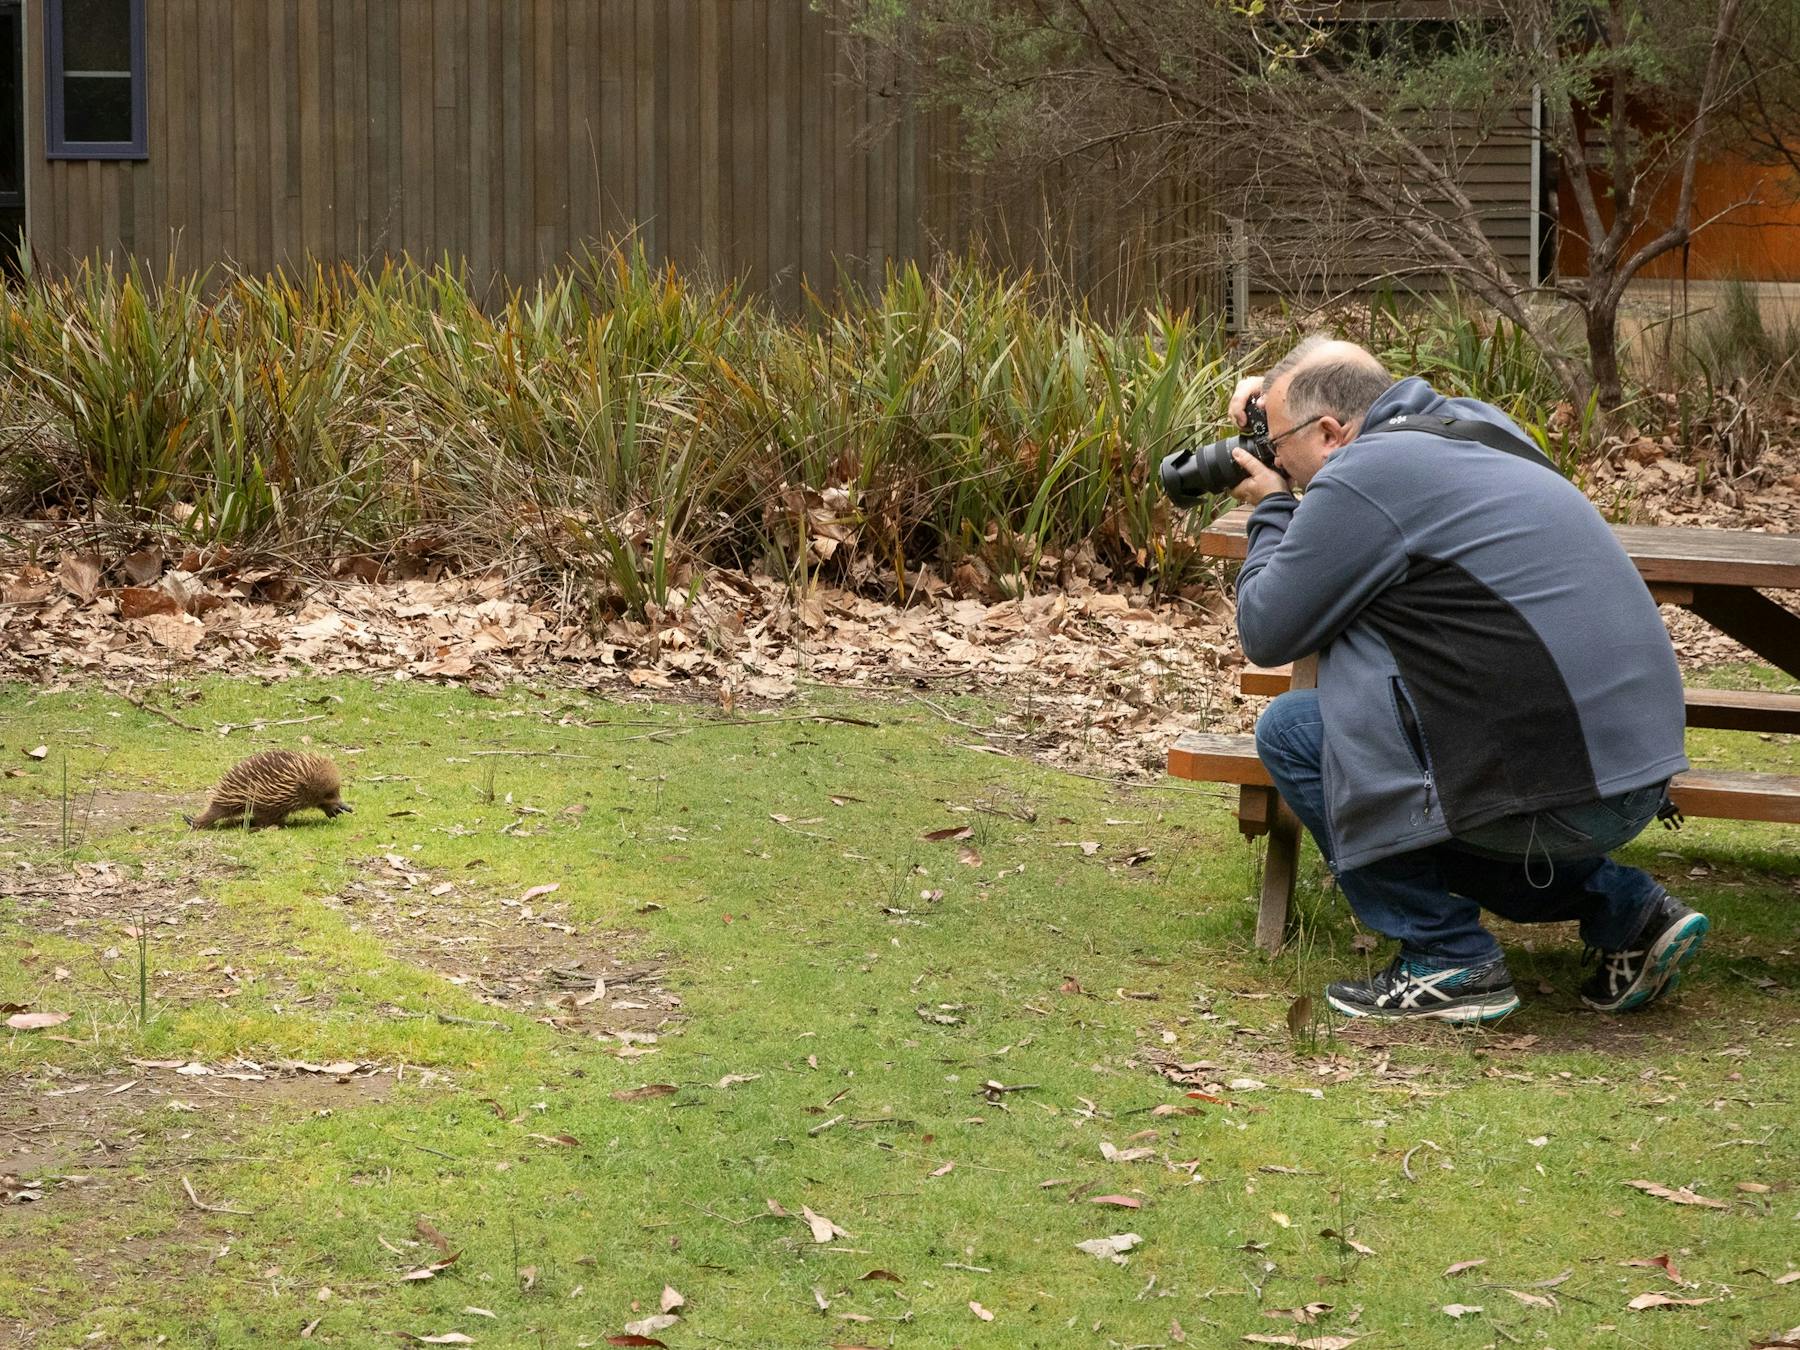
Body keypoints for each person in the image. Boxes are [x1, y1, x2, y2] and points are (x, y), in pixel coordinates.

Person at [1224, 334, 1707, 1022]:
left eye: (1278, 443)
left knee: (1300, 731)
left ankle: (1444, 954)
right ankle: (1629, 911)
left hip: (1564, 791)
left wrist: (1271, 506)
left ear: (1331, 432)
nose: (1279, 461)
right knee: (1402, 743)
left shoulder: (1365, 476)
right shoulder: (1477, 424)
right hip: (1636, 770)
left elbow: (1269, 630)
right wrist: (1275, 411)